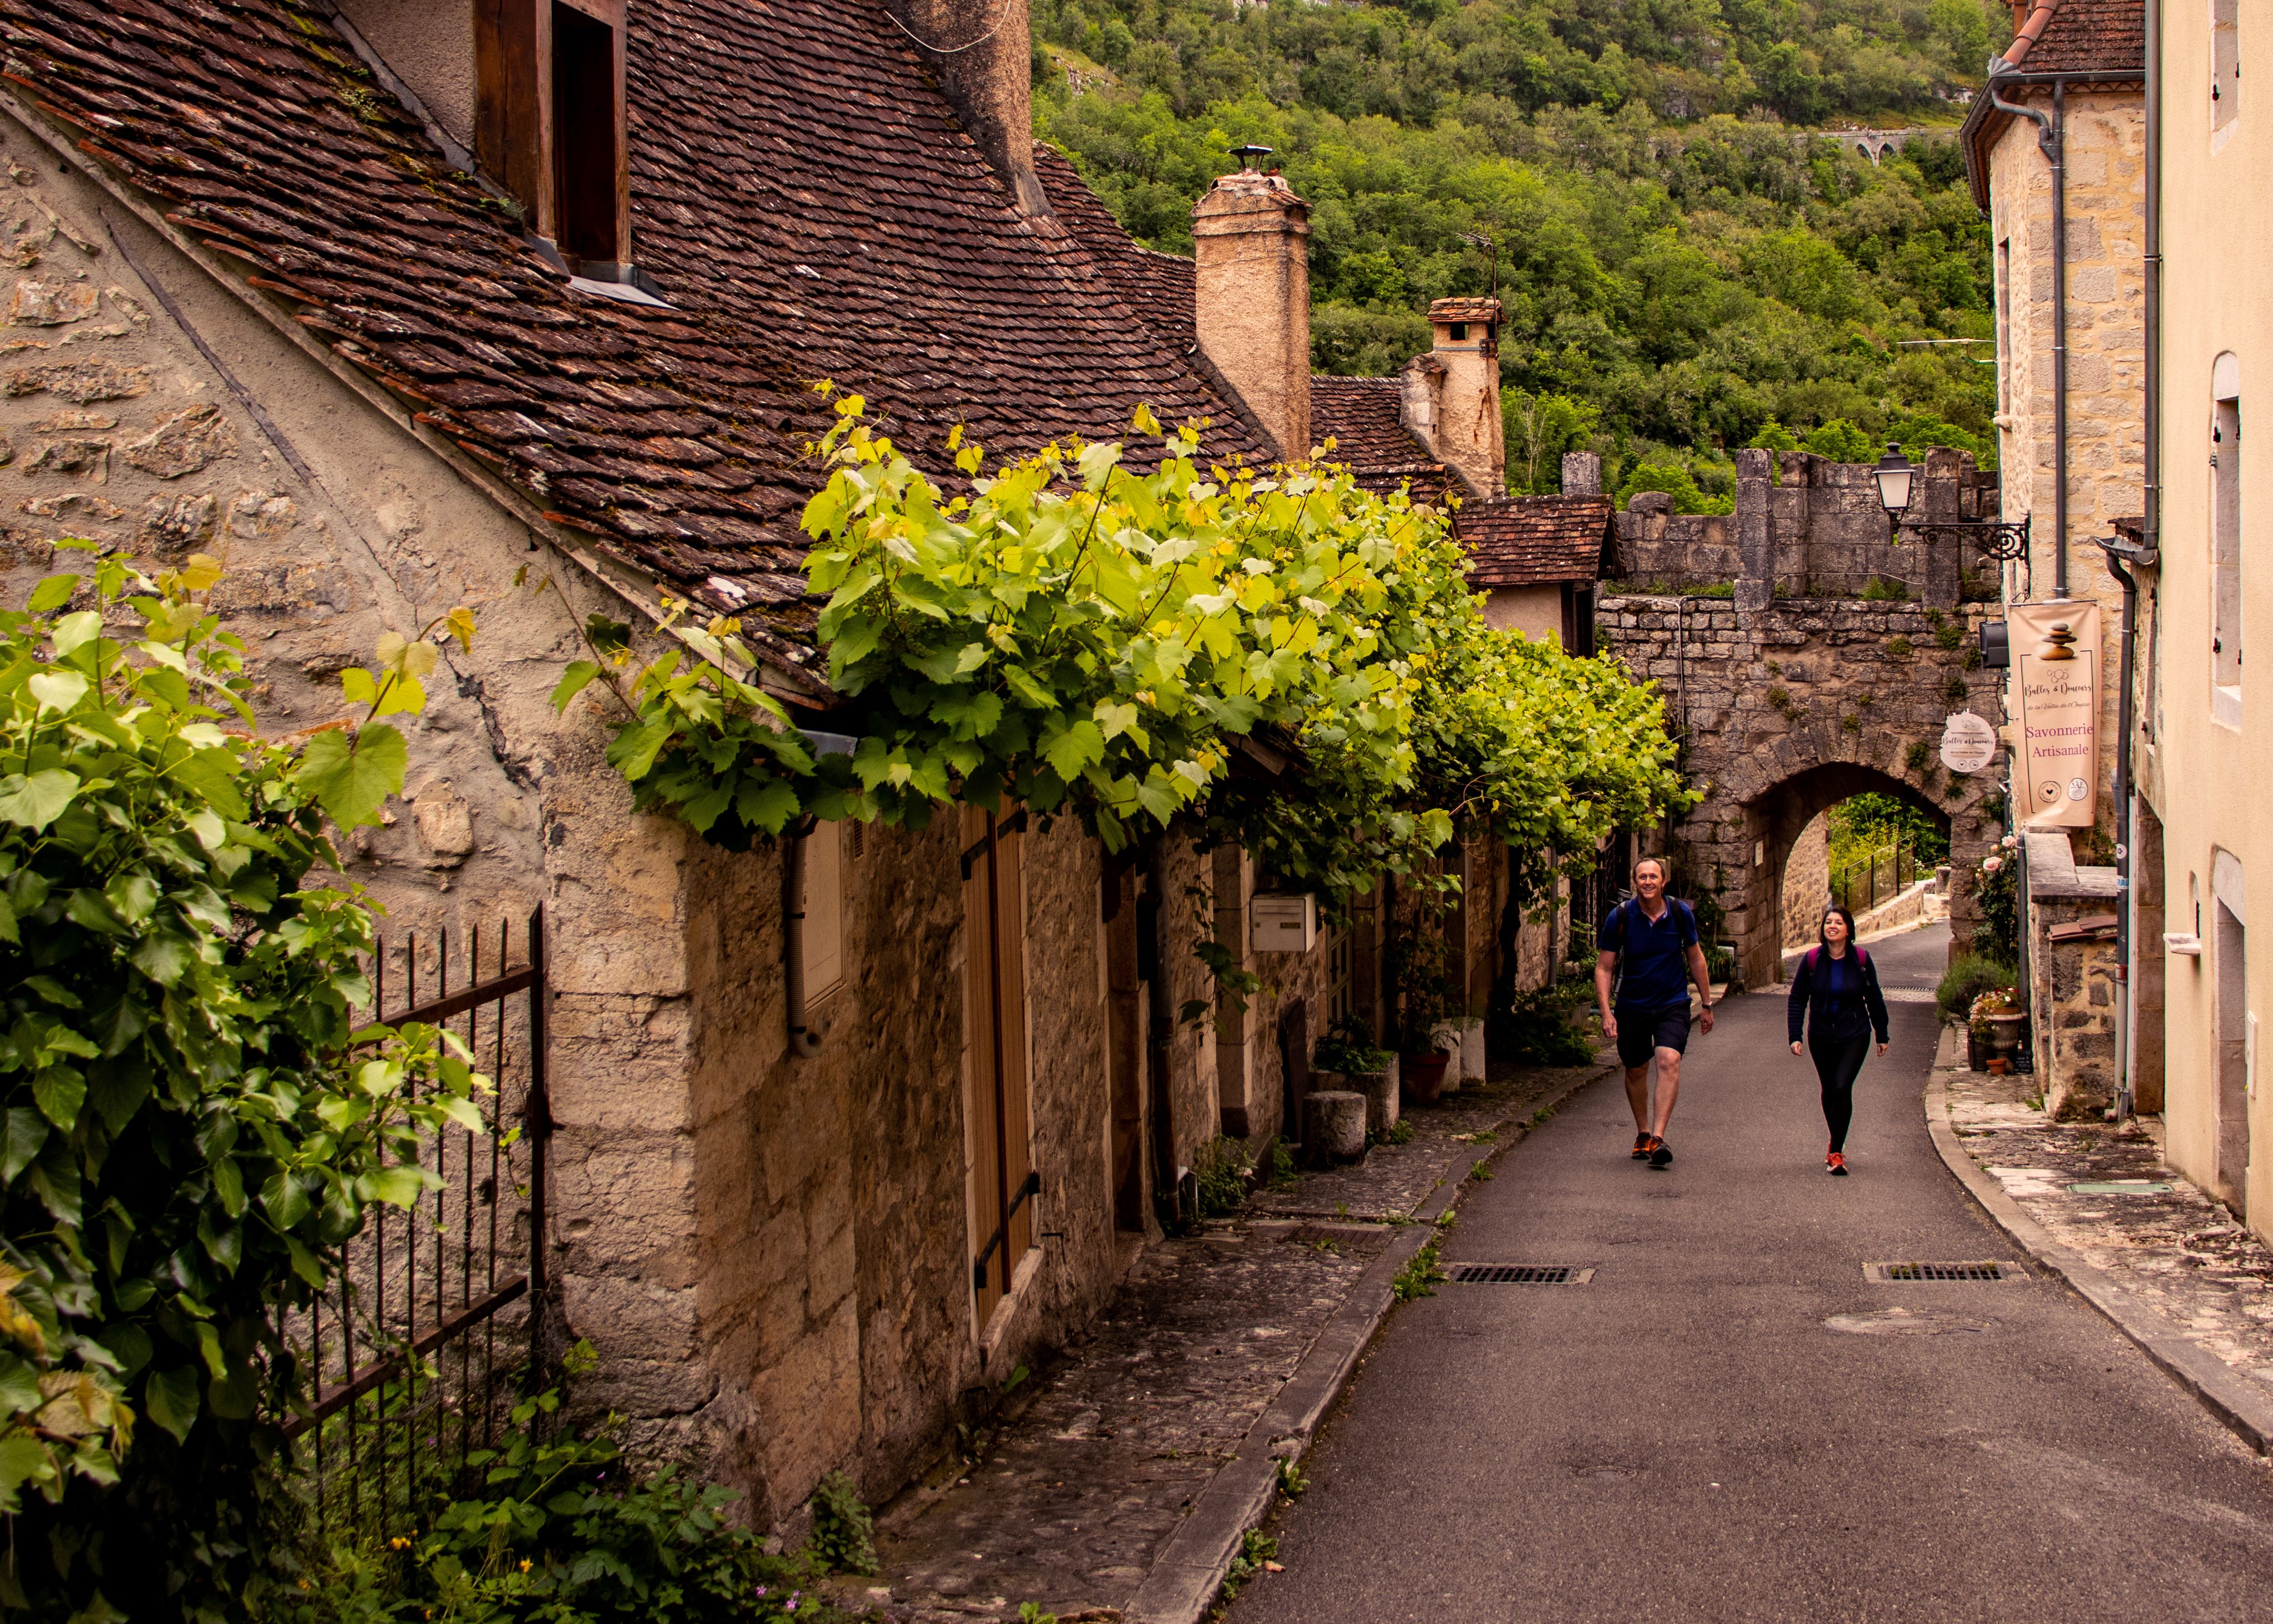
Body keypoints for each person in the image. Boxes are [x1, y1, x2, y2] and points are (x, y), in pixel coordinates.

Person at [1596, 857, 1714, 1169]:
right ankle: (1643, 1133)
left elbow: (1696, 958)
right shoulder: (1620, 917)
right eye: (1642, 877)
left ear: (1664, 881)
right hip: (1632, 1005)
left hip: (1672, 1003)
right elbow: (1604, 967)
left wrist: (1707, 1003)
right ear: (1635, 882)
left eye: (1654, 877)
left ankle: (1659, 1138)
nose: (1648, 882)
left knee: (1669, 1060)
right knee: (1636, 1069)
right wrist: (1607, 1012)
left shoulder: (1679, 913)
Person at [1785, 904, 1889, 1175]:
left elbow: (1875, 998)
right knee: (1830, 1089)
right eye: (1828, 922)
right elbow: (1797, 999)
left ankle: (1836, 1151)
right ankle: (1835, 1144)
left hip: (1854, 1034)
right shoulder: (1812, 960)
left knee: (1842, 1086)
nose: (1832, 926)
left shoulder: (1862, 960)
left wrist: (1882, 1033)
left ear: (1848, 930)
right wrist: (1795, 1035)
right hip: (1820, 1035)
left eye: (1838, 923)